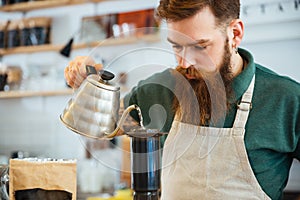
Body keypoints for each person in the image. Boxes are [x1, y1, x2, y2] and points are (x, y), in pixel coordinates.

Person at [64, 0, 300, 199]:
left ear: (235, 34)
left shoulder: (286, 99)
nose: (184, 63)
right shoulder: (159, 90)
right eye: (177, 46)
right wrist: (89, 82)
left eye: (200, 47)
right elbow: (105, 127)